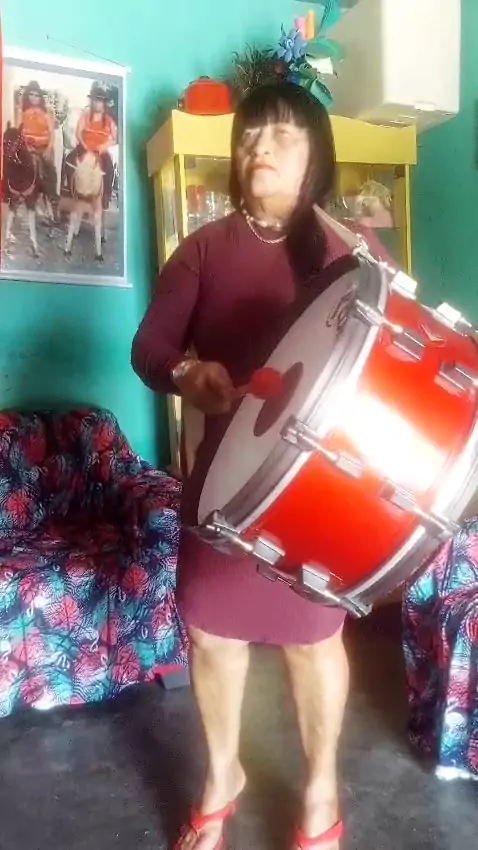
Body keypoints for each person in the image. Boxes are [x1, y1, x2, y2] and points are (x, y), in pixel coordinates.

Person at [132, 81, 391, 850]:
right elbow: (150, 347)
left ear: (316, 156)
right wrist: (187, 372)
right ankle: (223, 776)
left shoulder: (355, 254)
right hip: (224, 489)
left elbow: (388, 361)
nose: (259, 148)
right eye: (249, 135)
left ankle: (319, 792)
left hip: (319, 494)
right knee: (213, 635)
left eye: (281, 135)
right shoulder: (204, 249)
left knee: (313, 641)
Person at [65, 83, 117, 209]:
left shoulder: (109, 120)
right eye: (95, 100)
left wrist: (103, 146)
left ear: (104, 103)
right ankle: (71, 190)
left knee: (109, 167)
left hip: (100, 149)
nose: (97, 103)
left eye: (100, 100)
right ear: (92, 101)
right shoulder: (85, 115)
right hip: (84, 146)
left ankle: (106, 196)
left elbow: (115, 139)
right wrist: (84, 146)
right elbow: (78, 133)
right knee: (69, 160)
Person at [16, 80, 57, 205]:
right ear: (27, 95)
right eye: (31, 94)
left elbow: (52, 133)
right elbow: (18, 131)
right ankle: (20, 193)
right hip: (27, 146)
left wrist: (49, 148)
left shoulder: (47, 112)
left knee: (50, 166)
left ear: (40, 97)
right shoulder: (21, 110)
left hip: (44, 146)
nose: (34, 97)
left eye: (37, 95)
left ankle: (52, 195)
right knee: (22, 164)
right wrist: (27, 146)